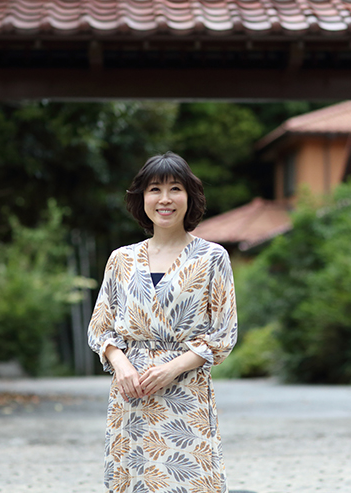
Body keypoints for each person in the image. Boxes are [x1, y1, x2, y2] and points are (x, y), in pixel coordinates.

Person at [88, 151, 238, 493]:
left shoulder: (212, 257)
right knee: (135, 480)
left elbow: (224, 332)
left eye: (175, 189)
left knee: (189, 479)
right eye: (155, 189)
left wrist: (173, 368)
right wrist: (122, 366)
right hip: (131, 392)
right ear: (142, 198)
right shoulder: (121, 260)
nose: (165, 199)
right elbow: (101, 327)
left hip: (186, 391)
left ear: (190, 197)